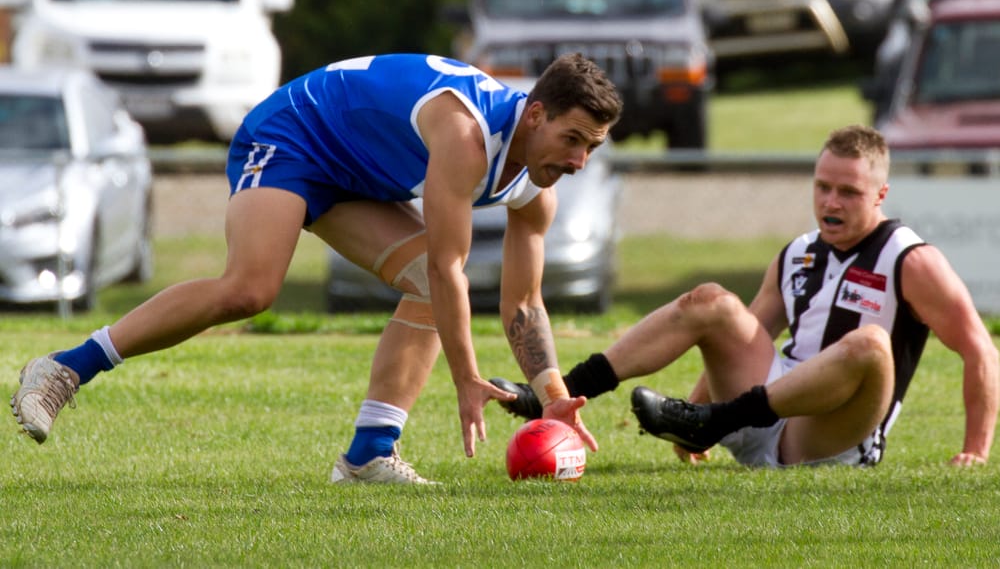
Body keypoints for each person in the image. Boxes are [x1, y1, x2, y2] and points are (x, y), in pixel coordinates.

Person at [11, 53, 621, 483]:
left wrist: (553, 397)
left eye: (591, 147)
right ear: (535, 115)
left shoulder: (536, 187)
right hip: (296, 134)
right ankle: (64, 369)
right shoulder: (467, 135)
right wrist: (466, 377)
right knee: (249, 290)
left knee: (424, 286)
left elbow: (524, 303)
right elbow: (448, 267)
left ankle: (368, 456)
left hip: (356, 172)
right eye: (572, 139)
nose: (579, 162)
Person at [492, 125, 998, 467]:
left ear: (881, 195)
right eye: (823, 187)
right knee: (711, 300)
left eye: (848, 192)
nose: (831, 202)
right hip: (761, 413)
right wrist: (690, 415)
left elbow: (981, 349)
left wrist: (975, 451)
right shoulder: (798, 252)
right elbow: (743, 337)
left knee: (869, 344)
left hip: (832, 435)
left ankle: (714, 422)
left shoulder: (911, 259)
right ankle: (555, 395)